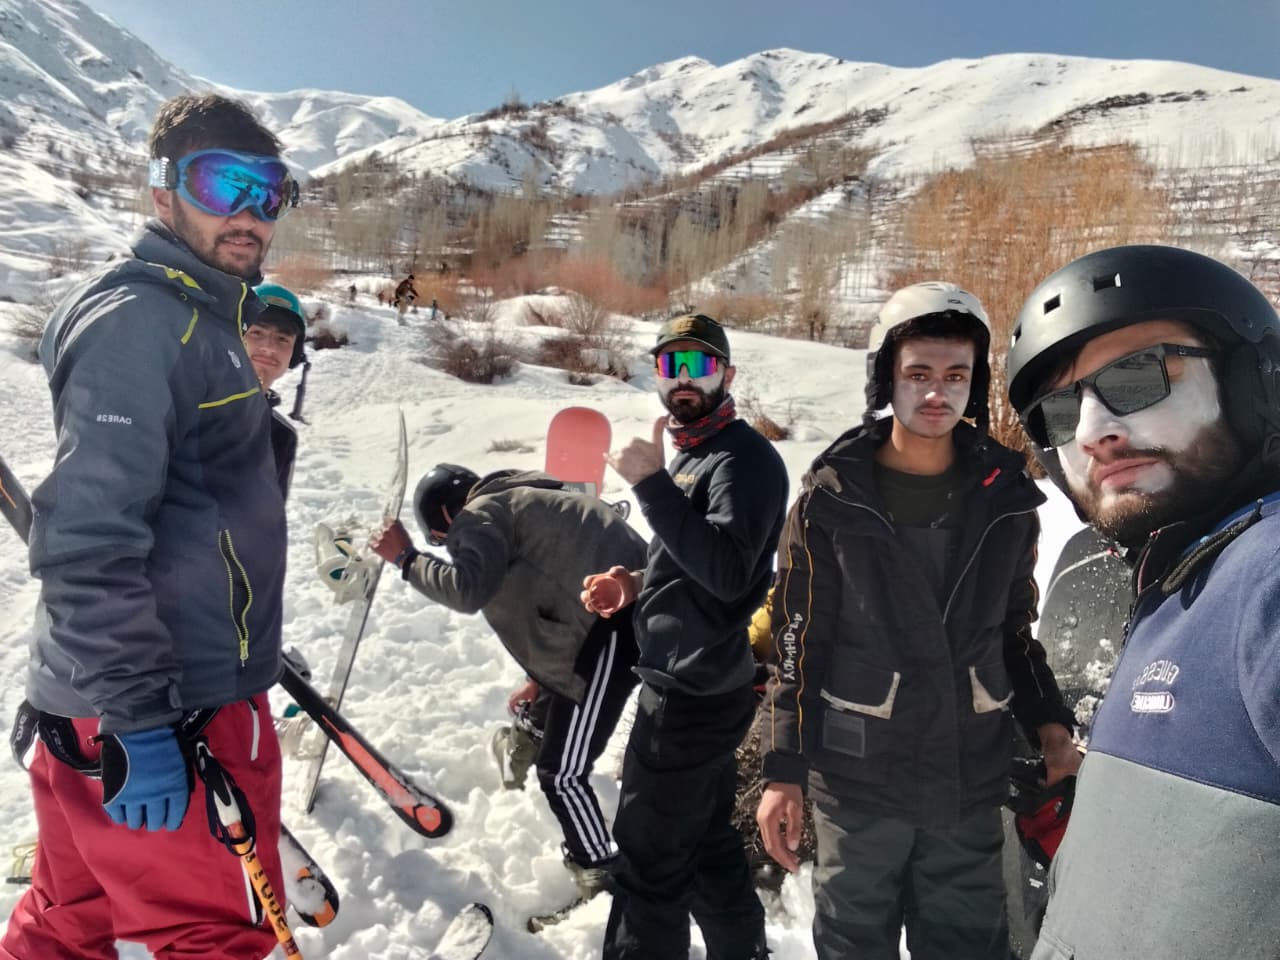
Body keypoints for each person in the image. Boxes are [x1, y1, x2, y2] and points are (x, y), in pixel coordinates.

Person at [2, 93, 297, 960]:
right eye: (220, 182)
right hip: (171, 708)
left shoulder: (196, 315)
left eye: (268, 190)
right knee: (217, 941)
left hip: (109, 697)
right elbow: (89, 536)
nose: (248, 213)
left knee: (68, 922)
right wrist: (133, 715)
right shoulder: (143, 320)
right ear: (163, 190)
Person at [756, 282, 1079, 960]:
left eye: (956, 376)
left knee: (968, 946)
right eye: (919, 374)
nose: (937, 392)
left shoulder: (1006, 501)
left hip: (967, 780)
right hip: (858, 783)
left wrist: (1052, 729)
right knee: (853, 944)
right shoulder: (832, 499)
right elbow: (797, 642)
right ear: (887, 378)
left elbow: (1013, 634)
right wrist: (782, 770)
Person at [1005, 244, 1280, 959]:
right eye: (1058, 412)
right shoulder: (1181, 584)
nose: (1091, 433)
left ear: (1251, 382)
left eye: (1136, 373)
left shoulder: (1266, 575)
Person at [584, 313, 788, 960]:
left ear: (728, 374)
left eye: (699, 365)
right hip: (701, 684)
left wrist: (649, 485)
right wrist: (636, 584)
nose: (683, 379)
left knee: (647, 866)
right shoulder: (700, 454)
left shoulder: (743, 461)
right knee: (703, 845)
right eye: (670, 366)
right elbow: (694, 560)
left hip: (689, 695)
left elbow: (729, 577)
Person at [368, 464, 648, 900]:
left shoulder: (478, 514)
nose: (451, 546)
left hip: (608, 629)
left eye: (442, 540)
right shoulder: (525, 501)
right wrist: (538, 678)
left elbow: (468, 589)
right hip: (620, 616)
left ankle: (603, 877)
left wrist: (407, 559)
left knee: (562, 773)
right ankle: (521, 756)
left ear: (446, 515)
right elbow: (549, 586)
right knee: (549, 725)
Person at [246, 282, 308, 495]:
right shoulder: (190, 411)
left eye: (282, 339)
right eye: (256, 333)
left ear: (294, 354)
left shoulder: (282, 436)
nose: (269, 347)